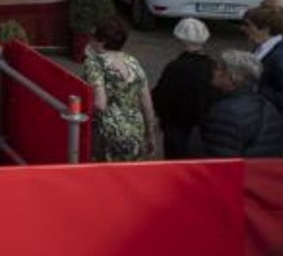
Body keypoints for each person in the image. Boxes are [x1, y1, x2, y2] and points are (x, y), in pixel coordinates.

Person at [83, 16, 157, 161]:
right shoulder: (132, 61)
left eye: (92, 37)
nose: (89, 40)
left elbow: (100, 104)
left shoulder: (94, 63)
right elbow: (146, 102)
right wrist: (150, 135)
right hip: (136, 132)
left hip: (109, 133)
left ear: (102, 41)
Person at [198, 50, 283, 158]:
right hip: (263, 172)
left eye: (218, 68)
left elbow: (219, 162)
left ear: (232, 77)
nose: (213, 72)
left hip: (240, 173)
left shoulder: (223, 113)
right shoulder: (269, 107)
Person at [152, 18, 217, 159]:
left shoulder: (176, 68)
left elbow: (161, 97)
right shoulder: (213, 66)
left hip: (177, 128)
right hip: (206, 129)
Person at [241, 5, 283, 155]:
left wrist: (256, 89)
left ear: (266, 29)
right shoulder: (261, 47)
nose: (243, 29)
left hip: (282, 130)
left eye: (249, 25)